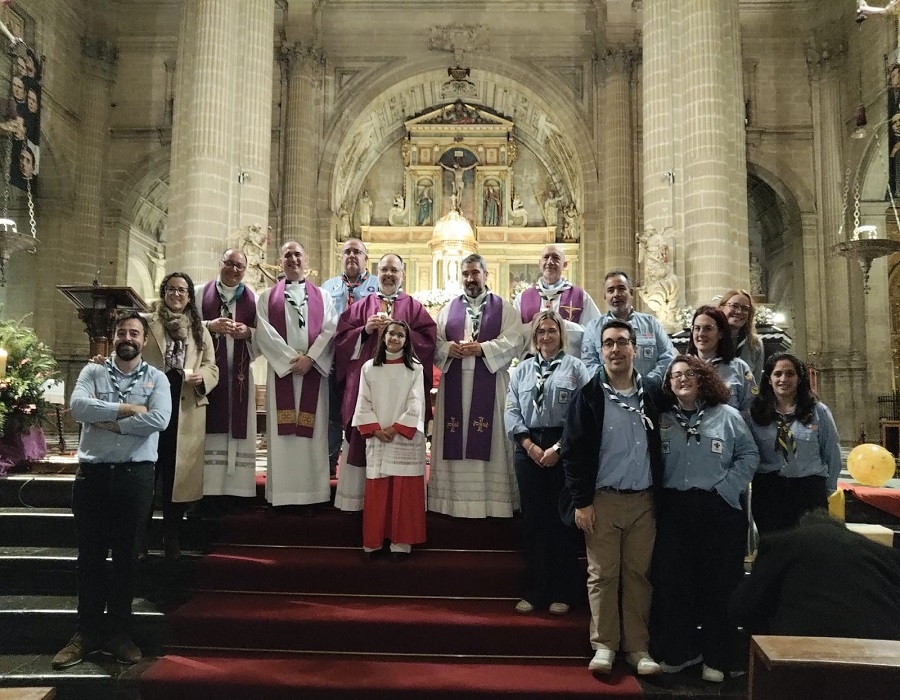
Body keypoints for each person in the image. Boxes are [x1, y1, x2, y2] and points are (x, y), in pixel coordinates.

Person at [52, 311, 172, 669]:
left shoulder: (158, 379)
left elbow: (159, 419)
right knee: (89, 557)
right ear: (114, 336)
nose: (128, 338)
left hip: (136, 478)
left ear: (144, 341)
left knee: (126, 559)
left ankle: (119, 633)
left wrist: (108, 423)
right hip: (93, 477)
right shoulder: (93, 371)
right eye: (122, 332)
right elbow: (78, 407)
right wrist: (126, 408)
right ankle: (85, 633)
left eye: (135, 333)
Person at [562, 319, 662, 677]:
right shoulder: (589, 393)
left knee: (638, 574)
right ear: (601, 350)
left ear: (635, 348)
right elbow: (573, 451)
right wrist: (582, 501)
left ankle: (637, 647)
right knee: (602, 574)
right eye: (609, 343)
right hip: (602, 499)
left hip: (644, 500)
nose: (616, 349)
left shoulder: (652, 392)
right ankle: (604, 645)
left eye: (622, 342)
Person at [650, 355, 759, 683]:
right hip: (675, 510)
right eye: (675, 376)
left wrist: (727, 489)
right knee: (675, 583)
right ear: (668, 384)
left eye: (688, 374)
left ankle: (717, 656)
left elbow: (749, 454)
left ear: (702, 379)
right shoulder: (662, 419)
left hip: (719, 510)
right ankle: (682, 651)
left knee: (719, 585)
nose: (681, 379)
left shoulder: (726, 416)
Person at [333, 253, 435, 511]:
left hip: (401, 393)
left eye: (394, 270)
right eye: (384, 269)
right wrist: (364, 330)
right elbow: (341, 341)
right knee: (362, 441)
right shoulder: (361, 306)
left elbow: (429, 342)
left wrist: (401, 332)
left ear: (403, 275)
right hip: (367, 387)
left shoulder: (413, 308)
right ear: (377, 272)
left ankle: (398, 506)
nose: (389, 274)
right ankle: (360, 504)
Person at [504, 311, 590, 615]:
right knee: (535, 522)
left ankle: (563, 591)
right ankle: (536, 589)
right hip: (528, 447)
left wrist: (558, 447)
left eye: (551, 331)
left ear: (561, 334)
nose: (545, 336)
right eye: (540, 331)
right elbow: (512, 410)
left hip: (563, 445)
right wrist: (528, 445)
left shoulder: (576, 368)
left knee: (562, 522)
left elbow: (583, 414)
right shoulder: (522, 370)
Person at [428, 253, 522, 518]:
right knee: (455, 435)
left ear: (486, 275)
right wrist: (448, 349)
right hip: (455, 385)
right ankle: (453, 502)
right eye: (466, 274)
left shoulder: (504, 307)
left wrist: (483, 349)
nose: (470, 279)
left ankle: (493, 503)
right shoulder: (447, 310)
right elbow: (434, 343)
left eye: (475, 273)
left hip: (490, 386)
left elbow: (515, 339)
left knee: (489, 438)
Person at [730, 508, 900, 640]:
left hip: (802, 650)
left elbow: (743, 606)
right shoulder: (881, 553)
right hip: (881, 645)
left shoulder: (784, 543)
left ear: (802, 527)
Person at [255, 241, 338, 510]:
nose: (293, 259)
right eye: (287, 255)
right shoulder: (268, 297)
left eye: (297, 254)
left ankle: (312, 496)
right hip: (283, 373)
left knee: (313, 434)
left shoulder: (323, 296)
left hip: (313, 371)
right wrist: (292, 361)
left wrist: (311, 358)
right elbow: (264, 332)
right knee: (283, 437)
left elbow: (330, 330)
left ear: (307, 260)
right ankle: (283, 496)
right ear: (280, 262)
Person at [142, 272, 219, 559]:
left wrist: (203, 378)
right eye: (171, 289)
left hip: (186, 408)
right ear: (164, 292)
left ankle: (170, 534)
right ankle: (141, 536)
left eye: (182, 290)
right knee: (148, 474)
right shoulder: (148, 324)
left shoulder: (199, 329)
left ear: (189, 296)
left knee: (178, 476)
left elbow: (212, 365)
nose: (176, 294)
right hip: (152, 407)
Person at [352, 320, 428, 560]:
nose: (395, 338)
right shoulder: (368, 368)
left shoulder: (415, 368)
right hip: (378, 436)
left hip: (402, 437)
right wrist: (375, 429)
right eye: (391, 334)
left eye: (401, 336)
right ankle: (373, 542)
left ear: (407, 341)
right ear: (383, 336)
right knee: (378, 490)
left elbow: (416, 402)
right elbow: (363, 400)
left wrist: (395, 429)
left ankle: (401, 543)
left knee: (403, 493)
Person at [746, 353, 842, 535]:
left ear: (799, 378)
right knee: (775, 549)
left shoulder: (818, 411)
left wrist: (827, 489)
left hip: (809, 489)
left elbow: (831, 452)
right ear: (769, 379)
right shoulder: (755, 414)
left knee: (811, 550)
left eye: (790, 374)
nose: (783, 379)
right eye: (778, 374)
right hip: (769, 491)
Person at [196, 249, 258, 505]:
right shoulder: (200, 293)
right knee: (207, 430)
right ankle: (206, 492)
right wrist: (209, 326)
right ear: (220, 263)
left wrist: (248, 332)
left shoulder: (253, 299)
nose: (234, 270)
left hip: (240, 377)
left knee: (237, 430)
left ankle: (236, 492)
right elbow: (184, 326)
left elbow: (265, 335)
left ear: (245, 270)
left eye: (239, 266)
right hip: (207, 376)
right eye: (229, 264)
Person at [322, 239, 378, 476]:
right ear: (341, 257)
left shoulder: (378, 285)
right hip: (334, 358)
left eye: (358, 252)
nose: (352, 256)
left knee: (362, 410)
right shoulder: (328, 287)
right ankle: (330, 461)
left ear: (367, 258)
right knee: (333, 413)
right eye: (347, 252)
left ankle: (363, 464)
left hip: (364, 360)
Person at [581, 271, 675, 387]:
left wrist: (648, 382)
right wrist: (614, 383)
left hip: (649, 394)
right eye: (611, 290)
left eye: (621, 289)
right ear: (605, 296)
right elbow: (589, 363)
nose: (616, 294)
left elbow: (667, 356)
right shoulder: (593, 328)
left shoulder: (651, 323)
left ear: (631, 292)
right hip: (608, 394)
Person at [514, 244, 601, 358]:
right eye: (546, 257)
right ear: (540, 263)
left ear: (564, 264)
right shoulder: (523, 298)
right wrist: (533, 325)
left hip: (569, 365)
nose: (550, 262)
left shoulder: (580, 296)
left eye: (556, 258)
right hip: (531, 367)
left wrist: (563, 324)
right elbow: (513, 335)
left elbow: (595, 333)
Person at [687, 305, 757, 411]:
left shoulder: (739, 368)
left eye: (708, 328)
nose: (701, 334)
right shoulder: (681, 368)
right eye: (697, 328)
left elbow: (751, 408)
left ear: (720, 333)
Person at [718, 289, 763, 382]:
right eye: (734, 306)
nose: (739, 312)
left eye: (745, 308)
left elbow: (756, 381)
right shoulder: (710, 338)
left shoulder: (755, 343)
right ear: (721, 308)